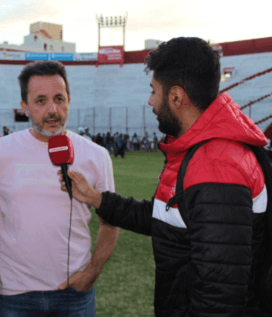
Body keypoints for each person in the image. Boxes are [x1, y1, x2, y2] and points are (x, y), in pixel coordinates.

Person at [59, 37, 270, 316]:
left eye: (154, 91)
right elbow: (169, 217)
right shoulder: (202, 151)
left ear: (176, 97)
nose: (150, 100)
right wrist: (98, 199)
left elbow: (219, 296)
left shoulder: (216, 165)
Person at [0, 60, 119, 316]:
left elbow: (110, 223)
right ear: (24, 107)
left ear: (69, 100)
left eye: (59, 99)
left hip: (74, 295)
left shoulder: (96, 155)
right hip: (15, 295)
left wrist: (91, 273)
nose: (52, 109)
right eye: (41, 101)